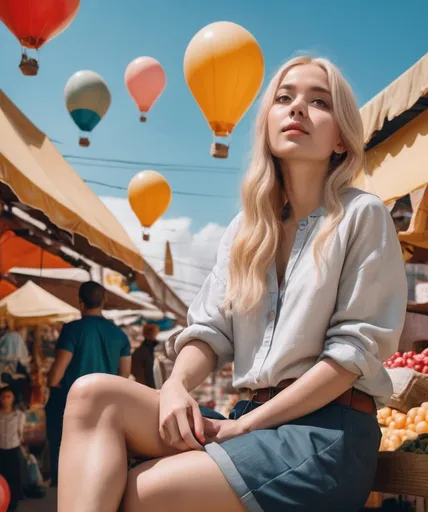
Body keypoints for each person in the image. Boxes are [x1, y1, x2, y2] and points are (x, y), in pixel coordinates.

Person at [57, 56, 407, 512]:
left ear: (341, 137)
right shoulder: (247, 229)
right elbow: (210, 329)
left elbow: (350, 356)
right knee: (92, 395)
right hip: (249, 427)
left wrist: (247, 425)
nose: (297, 108)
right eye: (284, 98)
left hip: (324, 435)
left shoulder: (362, 214)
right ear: (267, 123)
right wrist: (177, 386)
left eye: (318, 101)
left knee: (143, 489)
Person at [46, 281, 131, 487]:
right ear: (104, 301)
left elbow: (55, 376)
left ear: (80, 303)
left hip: (70, 404)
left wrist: (52, 380)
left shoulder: (72, 330)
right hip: (104, 405)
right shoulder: (120, 335)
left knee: (65, 457)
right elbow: (124, 375)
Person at [0, 386, 25, 511]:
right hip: (0, 451)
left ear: (13, 398)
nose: (5, 400)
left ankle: (12, 503)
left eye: (8, 397)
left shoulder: (19, 415)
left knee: (14, 478)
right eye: (3, 397)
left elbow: (21, 434)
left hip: (13, 449)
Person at [131, 323, 160, 388]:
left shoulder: (147, 348)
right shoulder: (144, 350)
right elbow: (148, 372)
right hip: (144, 385)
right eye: (155, 332)